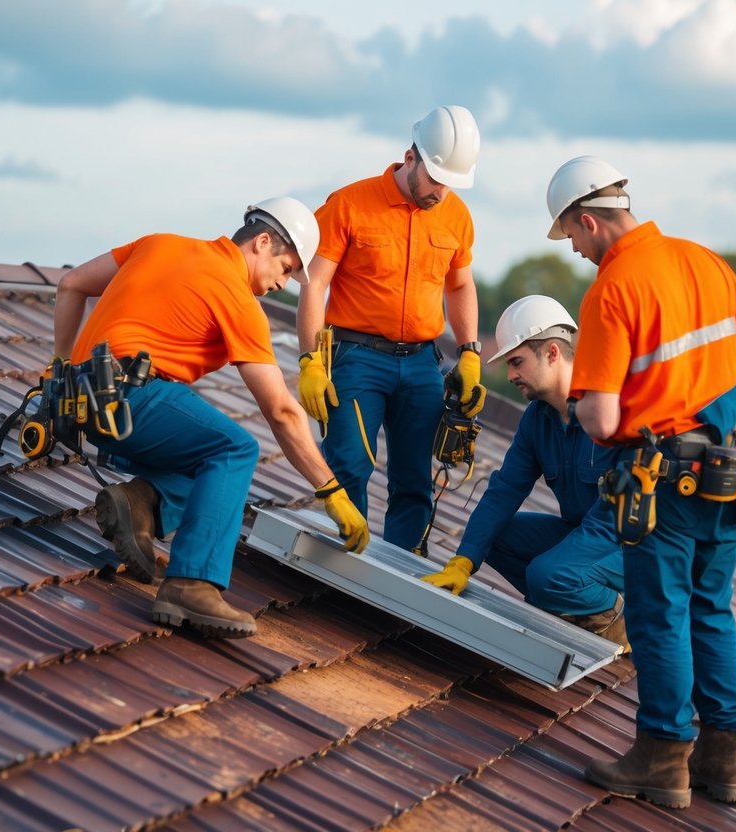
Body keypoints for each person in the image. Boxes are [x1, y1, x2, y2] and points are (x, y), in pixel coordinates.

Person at [545, 156, 736, 809]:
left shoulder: (613, 289)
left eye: (573, 238)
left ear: (589, 219)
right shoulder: (706, 261)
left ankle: (662, 759)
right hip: (727, 469)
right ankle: (725, 762)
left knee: (656, 614)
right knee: (710, 608)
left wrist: (597, 414)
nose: (578, 252)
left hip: (662, 477)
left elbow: (602, 415)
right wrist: (703, 412)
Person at [52, 197, 369, 640]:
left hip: (84, 403)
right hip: (130, 400)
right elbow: (279, 410)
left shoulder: (159, 243)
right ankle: (191, 584)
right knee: (236, 449)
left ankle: (140, 505)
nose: (284, 283)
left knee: (207, 457)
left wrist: (59, 373)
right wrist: (330, 489)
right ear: (261, 242)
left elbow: (70, 285)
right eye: (285, 267)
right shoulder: (235, 295)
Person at [296, 105, 486, 551]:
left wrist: (471, 352)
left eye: (452, 183)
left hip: (422, 362)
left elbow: (460, 286)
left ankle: (402, 571)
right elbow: (314, 283)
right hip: (357, 359)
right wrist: (309, 360)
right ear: (410, 157)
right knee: (350, 467)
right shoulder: (348, 204)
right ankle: (347, 572)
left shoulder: (456, 215)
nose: (441, 192)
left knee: (414, 479)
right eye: (436, 178)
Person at [420, 295, 628, 649]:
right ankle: (570, 604)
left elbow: (612, 518)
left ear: (551, 353)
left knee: (548, 575)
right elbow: (505, 491)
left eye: (517, 362)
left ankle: (625, 623)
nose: (511, 374)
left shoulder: (611, 410)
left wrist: (556, 571)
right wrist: (464, 561)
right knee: (495, 537)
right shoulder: (537, 418)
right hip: (585, 536)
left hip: (635, 546)